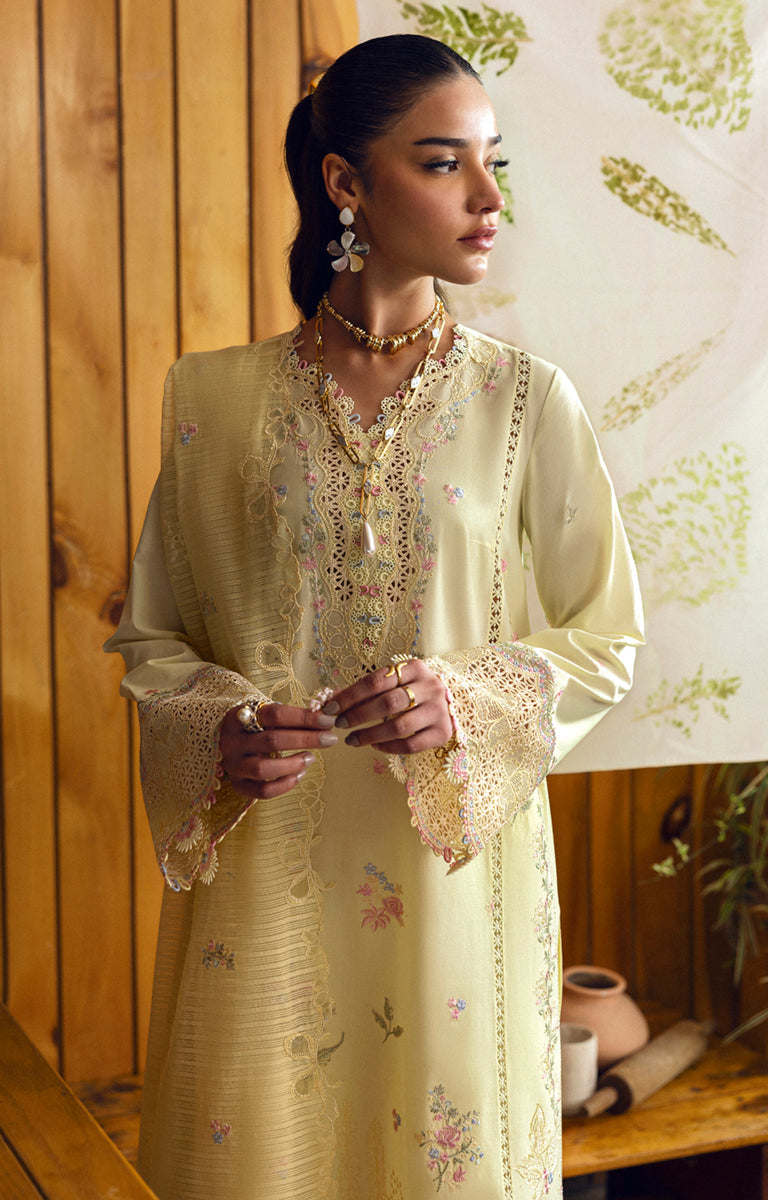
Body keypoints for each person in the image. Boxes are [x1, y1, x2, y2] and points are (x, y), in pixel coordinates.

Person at [105, 33, 644, 1200]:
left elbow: (603, 637)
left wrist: (463, 700)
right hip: (267, 887)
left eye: (493, 162)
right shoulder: (214, 403)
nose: (487, 196)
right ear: (346, 182)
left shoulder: (522, 403)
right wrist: (219, 730)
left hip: (451, 890)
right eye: (444, 162)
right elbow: (153, 640)